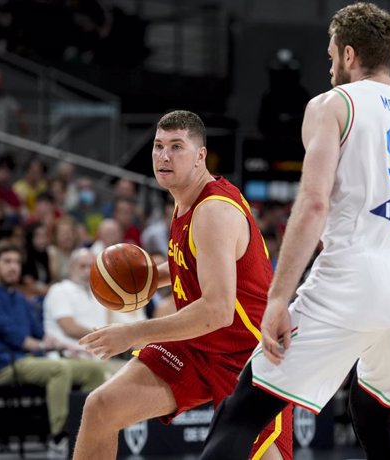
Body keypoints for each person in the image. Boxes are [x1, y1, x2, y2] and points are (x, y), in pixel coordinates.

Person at [200, 4, 390, 460]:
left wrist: (276, 299)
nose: (330, 67)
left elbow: (311, 205)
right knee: (373, 418)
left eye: (331, 56)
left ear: (349, 54)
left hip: (353, 283)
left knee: (241, 412)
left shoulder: (334, 104)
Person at [72, 110, 293, 460]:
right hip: (197, 346)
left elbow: (218, 310)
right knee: (101, 408)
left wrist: (134, 333)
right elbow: (190, 260)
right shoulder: (184, 199)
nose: (164, 156)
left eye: (177, 147)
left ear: (200, 155)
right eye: (159, 146)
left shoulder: (213, 211)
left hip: (247, 354)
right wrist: (151, 277)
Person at [0, 242, 106, 455]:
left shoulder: (22, 300)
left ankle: (89, 431)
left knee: (92, 369)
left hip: (30, 361)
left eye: (16, 262)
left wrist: (63, 345)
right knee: (59, 369)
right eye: (7, 262)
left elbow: (40, 333)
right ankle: (60, 436)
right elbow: (16, 337)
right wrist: (43, 345)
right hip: (1, 365)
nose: (13, 267)